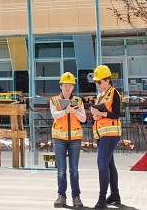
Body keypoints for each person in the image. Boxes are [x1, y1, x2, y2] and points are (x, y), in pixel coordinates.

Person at [50, 72, 86, 208]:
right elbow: (55, 115)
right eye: (65, 85)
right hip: (59, 139)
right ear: (61, 86)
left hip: (75, 139)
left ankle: (76, 197)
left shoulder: (79, 101)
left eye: (70, 86)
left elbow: (84, 119)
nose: (67, 88)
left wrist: (74, 111)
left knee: (74, 170)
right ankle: (61, 196)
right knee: (61, 170)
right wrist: (66, 111)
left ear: (73, 87)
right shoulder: (54, 100)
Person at [89, 65, 122, 209]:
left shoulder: (114, 93)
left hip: (110, 134)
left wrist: (101, 114)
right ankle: (115, 194)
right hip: (101, 134)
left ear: (108, 80)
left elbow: (116, 113)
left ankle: (102, 198)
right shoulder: (100, 96)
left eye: (99, 82)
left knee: (102, 164)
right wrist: (96, 115)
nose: (97, 84)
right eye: (96, 82)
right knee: (109, 165)